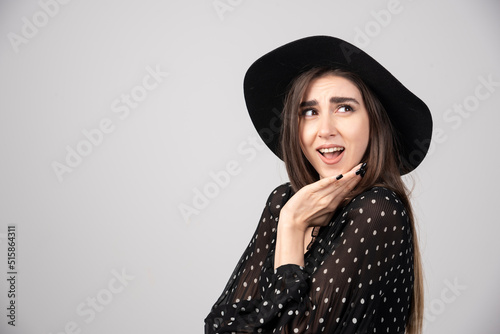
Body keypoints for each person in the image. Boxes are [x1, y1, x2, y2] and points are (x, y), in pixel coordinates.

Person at [205, 36, 432, 334]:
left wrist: (291, 227)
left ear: (374, 121)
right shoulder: (284, 201)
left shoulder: (377, 210)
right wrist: (289, 218)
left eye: (344, 108)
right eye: (309, 112)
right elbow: (220, 326)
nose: (325, 130)